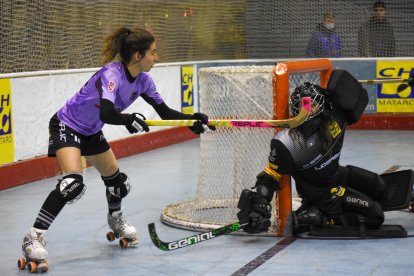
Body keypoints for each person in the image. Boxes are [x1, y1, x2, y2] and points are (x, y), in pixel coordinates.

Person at [20, 27, 215, 268]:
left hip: (90, 132)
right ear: (137, 56)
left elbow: (164, 113)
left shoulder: (143, 81)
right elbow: (107, 112)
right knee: (72, 184)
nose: (157, 58)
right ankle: (34, 236)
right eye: (153, 53)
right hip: (68, 125)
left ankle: (115, 219)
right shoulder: (112, 74)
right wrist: (128, 119)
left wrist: (192, 120)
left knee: (118, 182)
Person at [236, 70, 395, 236]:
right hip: (323, 194)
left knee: (380, 186)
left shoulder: (337, 115)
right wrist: (259, 206)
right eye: (301, 106)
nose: (306, 111)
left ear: (323, 104)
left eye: (312, 104)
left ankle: (315, 211)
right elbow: (270, 175)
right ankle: (315, 217)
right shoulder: (288, 142)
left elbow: (351, 92)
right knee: (375, 215)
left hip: (336, 174)